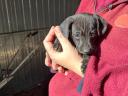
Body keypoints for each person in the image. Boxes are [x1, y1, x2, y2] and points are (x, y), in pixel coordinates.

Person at [43, 0, 128, 96]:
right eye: (78, 35)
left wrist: (77, 65)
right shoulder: (87, 1)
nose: (87, 47)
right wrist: (54, 51)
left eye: (92, 34)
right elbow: (69, 29)